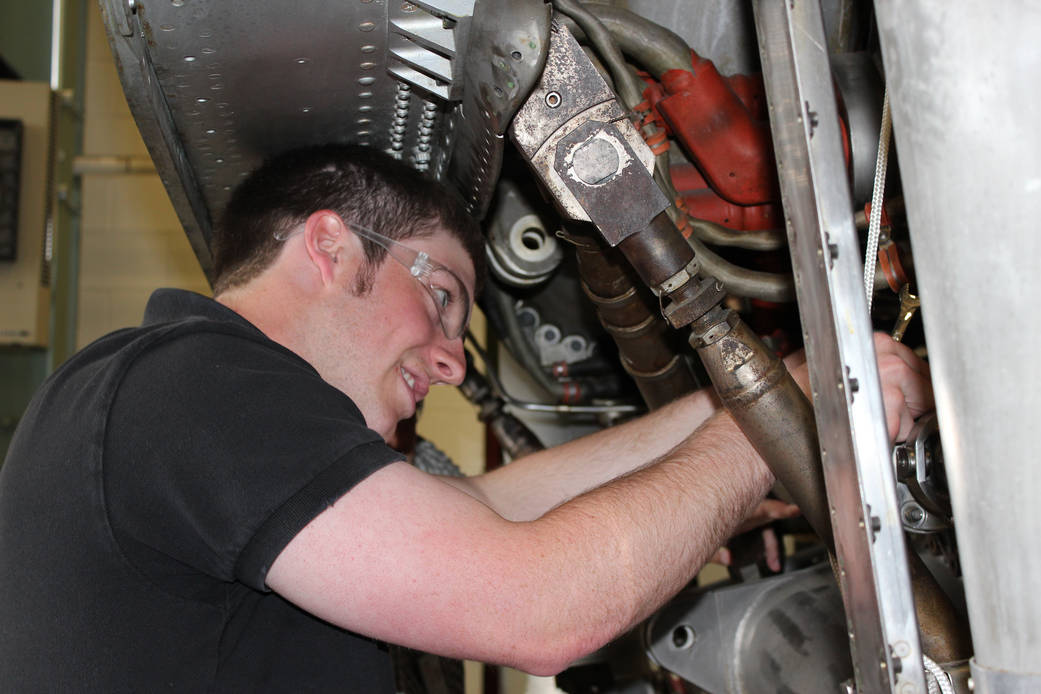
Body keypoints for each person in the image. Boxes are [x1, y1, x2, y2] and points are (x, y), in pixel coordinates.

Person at [0, 144, 934, 691]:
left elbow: (489, 513)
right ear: (329, 246)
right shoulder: (189, 382)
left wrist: (759, 399)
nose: (451, 359)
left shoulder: (172, 404)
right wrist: (777, 424)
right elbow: (540, 601)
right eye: (440, 295)